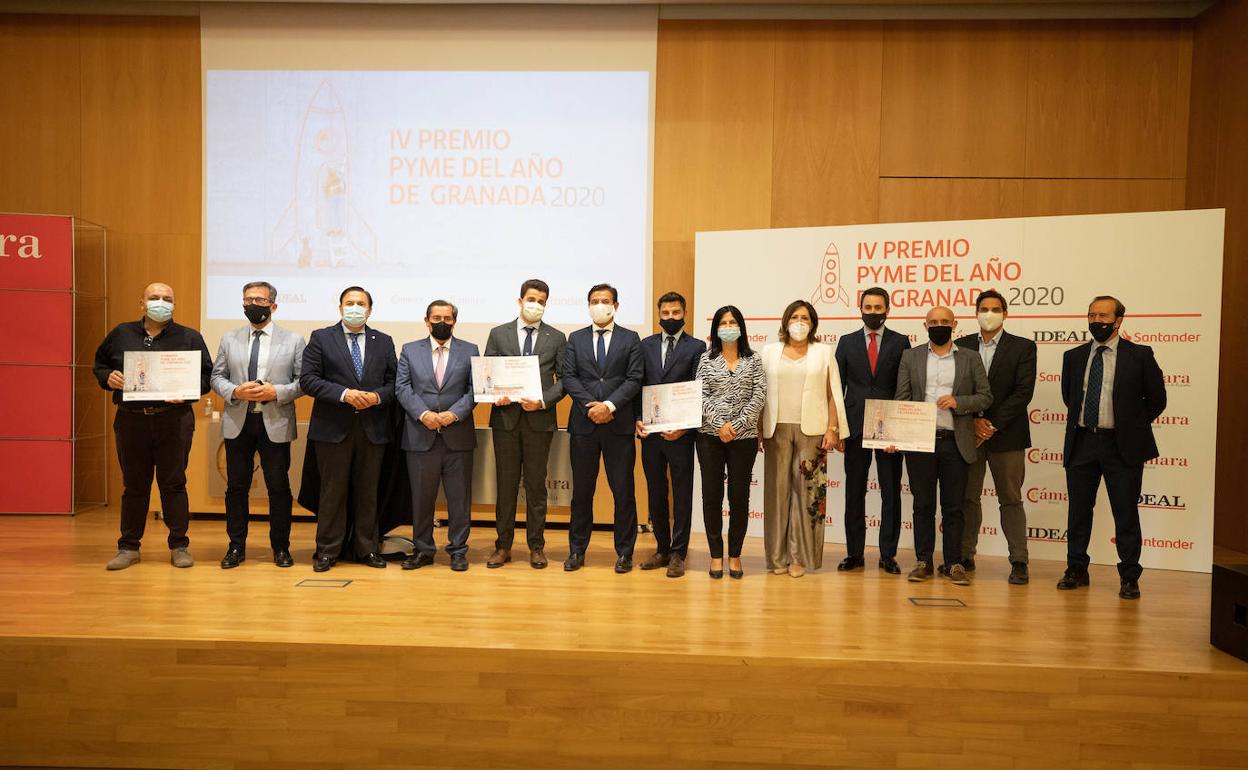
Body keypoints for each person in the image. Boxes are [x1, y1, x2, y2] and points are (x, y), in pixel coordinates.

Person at [94, 282, 212, 570]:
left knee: (173, 483)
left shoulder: (190, 337)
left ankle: (179, 546)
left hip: (174, 420)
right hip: (131, 419)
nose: (161, 302)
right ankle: (128, 547)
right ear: (142, 302)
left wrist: (187, 392)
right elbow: (99, 365)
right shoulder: (122, 333)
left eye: (167, 298)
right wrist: (108, 378)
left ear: (174, 304)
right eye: (155, 298)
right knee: (134, 484)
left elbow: (206, 378)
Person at [1059, 296, 1165, 600]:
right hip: (1082, 441)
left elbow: (1157, 399)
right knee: (1078, 511)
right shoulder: (1074, 356)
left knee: (1125, 512)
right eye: (1091, 315)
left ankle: (1129, 575)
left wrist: (1130, 425)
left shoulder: (1140, 355)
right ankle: (1076, 568)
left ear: (1118, 321)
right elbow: (1071, 398)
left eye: (1103, 316)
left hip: (1122, 445)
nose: (1096, 321)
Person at [892, 306, 992, 586]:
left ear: (955, 325)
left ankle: (953, 563)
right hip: (920, 442)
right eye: (934, 322)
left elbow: (985, 397)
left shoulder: (971, 358)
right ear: (925, 326)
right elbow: (902, 398)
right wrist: (895, 435)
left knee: (954, 506)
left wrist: (959, 402)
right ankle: (923, 561)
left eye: (944, 322)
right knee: (923, 505)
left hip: (956, 442)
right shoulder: (910, 356)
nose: (939, 326)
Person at [210, 281, 306, 569]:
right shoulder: (229, 338)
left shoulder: (293, 340)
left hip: (275, 421)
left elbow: (304, 382)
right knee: (236, 488)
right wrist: (235, 391)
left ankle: (281, 548)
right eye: (249, 299)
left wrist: (276, 391)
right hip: (238, 421)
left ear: (273, 306)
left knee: (278, 487)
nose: (254, 304)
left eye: (260, 300)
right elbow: (216, 377)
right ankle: (236, 547)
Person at [300, 286, 396, 572]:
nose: (355, 307)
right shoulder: (321, 338)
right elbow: (308, 379)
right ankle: (328, 550)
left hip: (372, 428)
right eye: (350, 303)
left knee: (368, 491)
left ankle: (367, 548)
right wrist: (344, 394)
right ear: (340, 307)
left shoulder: (384, 341)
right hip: (332, 429)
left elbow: (394, 382)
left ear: (370, 309)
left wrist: (377, 397)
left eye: (361, 303)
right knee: (333, 492)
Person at [760, 300, 848, 577]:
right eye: (795, 317)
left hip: (813, 430)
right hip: (776, 429)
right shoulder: (769, 352)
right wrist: (757, 430)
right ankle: (777, 558)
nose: (799, 322)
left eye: (805, 318)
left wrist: (833, 429)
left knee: (808, 495)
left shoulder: (823, 352)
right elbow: (760, 393)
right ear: (785, 321)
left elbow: (833, 392)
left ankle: (799, 558)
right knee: (776, 495)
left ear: (813, 323)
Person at [483, 279, 567, 569]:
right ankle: (503, 546)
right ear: (520, 301)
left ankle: (536, 547)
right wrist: (495, 394)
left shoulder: (556, 337)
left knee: (536, 487)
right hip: (505, 420)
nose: (536, 305)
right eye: (531, 299)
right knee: (505, 486)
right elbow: (487, 375)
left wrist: (543, 400)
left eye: (542, 301)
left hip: (538, 421)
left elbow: (565, 380)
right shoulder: (498, 334)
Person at [954, 289, 1036, 584]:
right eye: (984, 308)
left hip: (1007, 435)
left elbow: (1023, 392)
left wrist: (990, 424)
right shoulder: (960, 345)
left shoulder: (1023, 347)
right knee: (968, 498)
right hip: (968, 435)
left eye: (995, 309)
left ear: (1005, 313)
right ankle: (965, 556)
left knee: (1011, 499)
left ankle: (1019, 560)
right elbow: (957, 391)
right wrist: (975, 422)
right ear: (975, 313)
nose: (989, 314)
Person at [561, 283, 644, 573]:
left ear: (616, 306)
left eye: (605, 301)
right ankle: (577, 550)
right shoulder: (576, 338)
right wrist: (592, 406)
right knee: (582, 492)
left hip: (618, 425)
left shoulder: (631, 338)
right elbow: (570, 377)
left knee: (623, 491)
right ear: (588, 306)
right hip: (583, 425)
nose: (599, 305)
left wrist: (609, 406)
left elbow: (634, 378)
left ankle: (624, 552)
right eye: (594, 301)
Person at [396, 300, 478, 572]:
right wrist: (424, 414)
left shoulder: (470, 350)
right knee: (421, 498)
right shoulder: (410, 350)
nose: (441, 321)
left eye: (447, 317)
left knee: (459, 499)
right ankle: (423, 549)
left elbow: (474, 390)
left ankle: (458, 550)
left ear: (455, 321)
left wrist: (453, 414)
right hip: (421, 435)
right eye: (436, 317)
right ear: (426, 320)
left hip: (458, 436)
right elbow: (403, 388)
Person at [834, 286, 909, 574]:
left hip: (890, 429)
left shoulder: (901, 342)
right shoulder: (847, 342)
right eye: (869, 307)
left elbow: (905, 387)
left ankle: (888, 555)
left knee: (891, 492)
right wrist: (838, 428)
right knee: (854, 492)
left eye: (879, 308)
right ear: (860, 308)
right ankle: (854, 553)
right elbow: (837, 388)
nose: (873, 312)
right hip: (854, 428)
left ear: (887, 310)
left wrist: (899, 431)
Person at [634, 292, 706, 578]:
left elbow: (699, 389)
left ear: (685, 314)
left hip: (681, 434)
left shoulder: (697, 347)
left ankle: (679, 553)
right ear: (658, 315)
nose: (671, 318)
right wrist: (637, 420)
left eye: (676, 313)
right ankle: (662, 548)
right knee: (655, 491)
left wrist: (686, 426)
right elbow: (637, 385)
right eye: (666, 313)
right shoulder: (645, 345)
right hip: (650, 433)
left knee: (682, 492)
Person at [695, 306, 765, 579]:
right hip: (710, 437)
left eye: (732, 322)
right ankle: (715, 555)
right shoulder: (705, 359)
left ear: (741, 327)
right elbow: (700, 395)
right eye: (723, 322)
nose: (728, 326)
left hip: (743, 438)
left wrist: (735, 426)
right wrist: (719, 425)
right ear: (715, 329)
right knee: (712, 496)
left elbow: (758, 395)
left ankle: (734, 555)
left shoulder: (754, 360)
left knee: (739, 497)